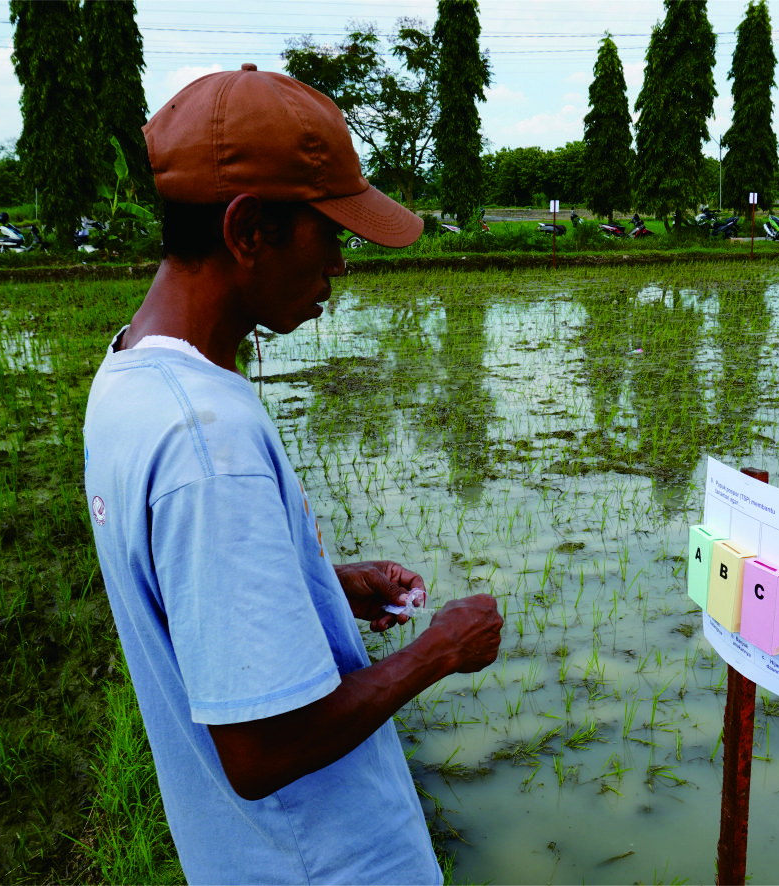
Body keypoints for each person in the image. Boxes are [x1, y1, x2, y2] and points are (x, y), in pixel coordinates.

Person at [82, 64, 504, 885]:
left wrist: (318, 583)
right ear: (248, 231)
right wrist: (439, 651)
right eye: (330, 235)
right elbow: (260, 748)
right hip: (322, 864)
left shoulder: (128, 377)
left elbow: (193, 598)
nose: (340, 269)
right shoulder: (210, 445)